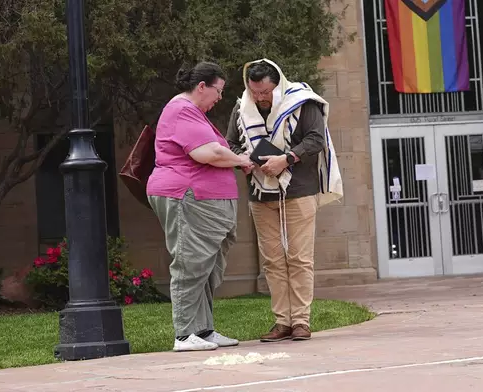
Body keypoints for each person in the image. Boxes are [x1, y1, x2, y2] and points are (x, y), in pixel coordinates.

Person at [226, 59, 343, 342]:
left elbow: (316, 140)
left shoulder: (303, 102)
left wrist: (286, 159)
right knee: (273, 261)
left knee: (300, 258)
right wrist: (243, 160)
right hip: (260, 192)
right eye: (255, 91)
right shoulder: (242, 107)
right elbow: (230, 142)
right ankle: (282, 322)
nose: (260, 98)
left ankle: (301, 321)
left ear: (278, 84)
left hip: (299, 190)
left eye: (265, 92)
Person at [147, 61, 252, 352]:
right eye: (218, 91)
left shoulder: (192, 113)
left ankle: (203, 331)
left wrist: (236, 159)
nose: (219, 97)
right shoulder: (182, 110)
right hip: (186, 195)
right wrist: (243, 160)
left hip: (202, 199)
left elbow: (216, 153)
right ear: (202, 86)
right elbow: (208, 153)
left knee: (205, 266)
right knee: (191, 263)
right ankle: (183, 335)